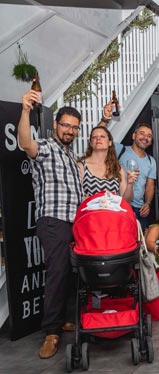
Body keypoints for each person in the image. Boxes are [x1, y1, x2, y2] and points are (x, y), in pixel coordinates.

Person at [18, 91, 84, 358]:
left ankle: (63, 319)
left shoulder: (70, 155)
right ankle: (52, 332)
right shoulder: (45, 147)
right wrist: (24, 111)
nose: (69, 130)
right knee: (57, 272)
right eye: (65, 125)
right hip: (54, 221)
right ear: (56, 124)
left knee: (71, 271)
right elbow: (25, 144)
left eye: (74, 127)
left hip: (74, 222)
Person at [117, 123, 157, 230]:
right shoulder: (120, 150)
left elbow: (150, 187)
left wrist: (148, 203)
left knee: (140, 242)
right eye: (142, 134)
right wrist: (105, 119)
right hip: (119, 206)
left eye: (149, 136)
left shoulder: (151, 161)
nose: (145, 138)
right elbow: (100, 138)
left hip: (139, 210)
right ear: (134, 136)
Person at [79, 126, 134, 201]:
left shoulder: (117, 167)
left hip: (113, 212)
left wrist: (130, 184)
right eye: (94, 137)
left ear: (110, 142)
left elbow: (126, 201)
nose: (98, 138)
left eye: (102, 136)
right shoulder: (81, 166)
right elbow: (76, 197)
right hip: (90, 212)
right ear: (91, 143)